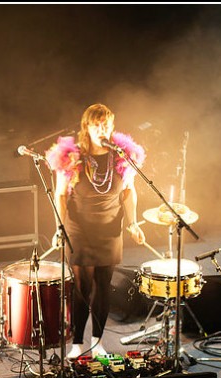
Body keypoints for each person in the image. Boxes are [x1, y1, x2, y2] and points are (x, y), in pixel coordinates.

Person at [46, 103, 146, 359]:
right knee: (82, 286)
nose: (102, 129)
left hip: (110, 227)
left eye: (106, 124)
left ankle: (97, 342)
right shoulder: (72, 157)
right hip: (79, 228)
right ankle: (77, 343)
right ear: (87, 127)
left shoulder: (122, 156)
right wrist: (59, 227)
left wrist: (133, 222)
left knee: (103, 285)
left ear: (112, 127)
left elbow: (128, 191)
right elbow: (60, 195)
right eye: (97, 124)